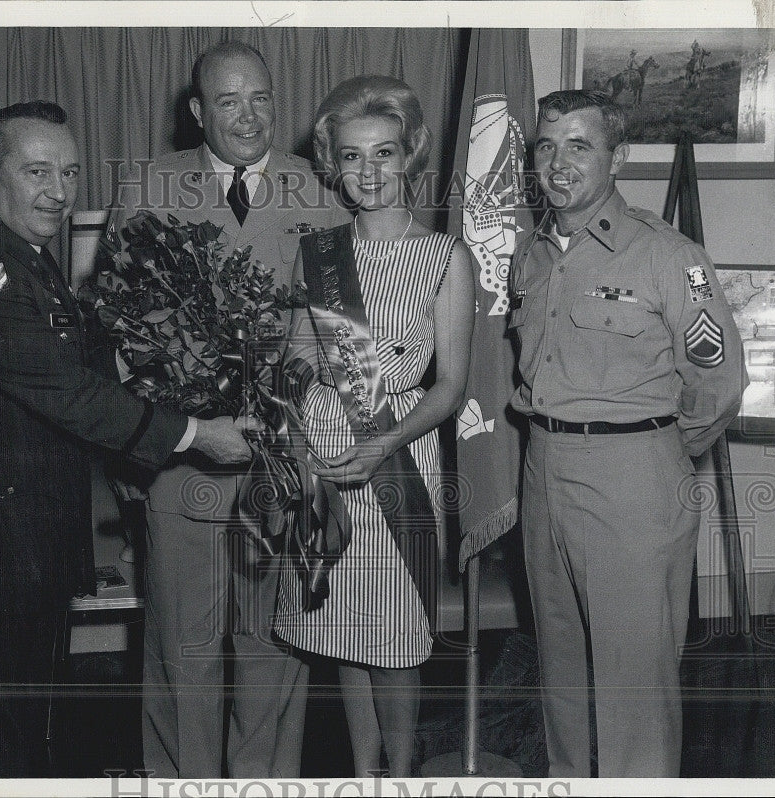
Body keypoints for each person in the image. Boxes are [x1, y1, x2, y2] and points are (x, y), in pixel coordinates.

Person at [0, 101, 254, 778]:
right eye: (36, 171)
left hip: (16, 551)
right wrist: (194, 434)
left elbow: (77, 379)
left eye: (69, 172)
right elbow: (68, 394)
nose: (58, 190)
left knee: (23, 730)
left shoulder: (24, 260)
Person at [103, 41, 349, 778]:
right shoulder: (150, 185)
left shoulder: (317, 189)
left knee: (274, 645)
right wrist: (163, 434)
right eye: (230, 101)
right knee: (184, 646)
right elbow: (119, 335)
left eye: (263, 99)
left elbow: (341, 324)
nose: (250, 117)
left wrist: (292, 403)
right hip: (186, 455)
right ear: (198, 111)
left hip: (283, 453)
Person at [509, 89, 747, 777]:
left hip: (631, 475)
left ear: (618, 156)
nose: (558, 163)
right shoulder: (533, 255)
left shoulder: (671, 257)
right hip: (543, 467)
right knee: (559, 665)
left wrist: (660, 455)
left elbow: (719, 382)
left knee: (632, 685)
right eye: (547, 146)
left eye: (579, 146)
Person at [273, 75, 475, 777]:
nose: (369, 172)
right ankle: (363, 777)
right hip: (325, 461)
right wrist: (299, 445)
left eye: (384, 153)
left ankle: (400, 775)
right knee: (342, 637)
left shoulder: (446, 257)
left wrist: (383, 441)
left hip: (397, 462)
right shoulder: (318, 253)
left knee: (393, 640)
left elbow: (450, 386)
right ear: (332, 162)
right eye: (352, 156)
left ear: (411, 153)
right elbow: (295, 364)